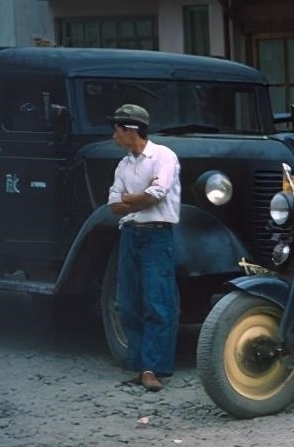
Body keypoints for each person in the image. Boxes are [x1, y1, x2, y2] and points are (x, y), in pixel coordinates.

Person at [106, 103, 181, 392]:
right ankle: (139, 364)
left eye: (117, 129)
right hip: (130, 234)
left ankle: (154, 368)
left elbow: (157, 194)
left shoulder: (163, 156)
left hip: (156, 235)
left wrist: (129, 198)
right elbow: (113, 205)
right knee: (128, 303)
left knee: (157, 302)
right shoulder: (124, 164)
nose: (114, 135)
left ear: (132, 129)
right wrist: (136, 198)